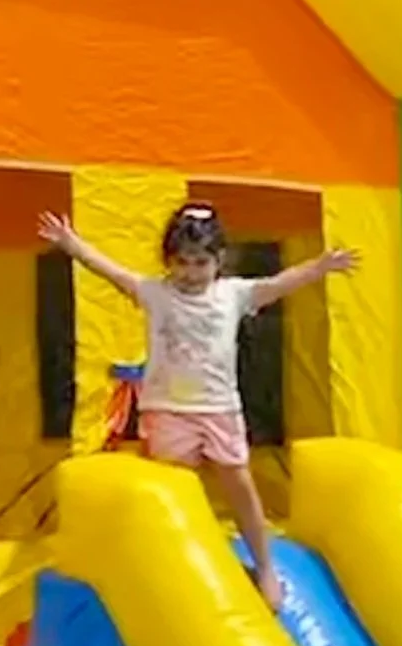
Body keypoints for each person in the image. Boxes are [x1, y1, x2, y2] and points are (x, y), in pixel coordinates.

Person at [38, 202, 359, 611]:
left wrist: (320, 266)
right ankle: (171, 560)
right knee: (174, 486)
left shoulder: (233, 295)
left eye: (201, 263)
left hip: (219, 408)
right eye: (182, 263)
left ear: (218, 261)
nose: (191, 273)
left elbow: (279, 283)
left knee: (239, 483)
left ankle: (263, 565)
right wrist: (72, 244)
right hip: (167, 409)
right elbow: (111, 271)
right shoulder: (155, 293)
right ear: (168, 261)